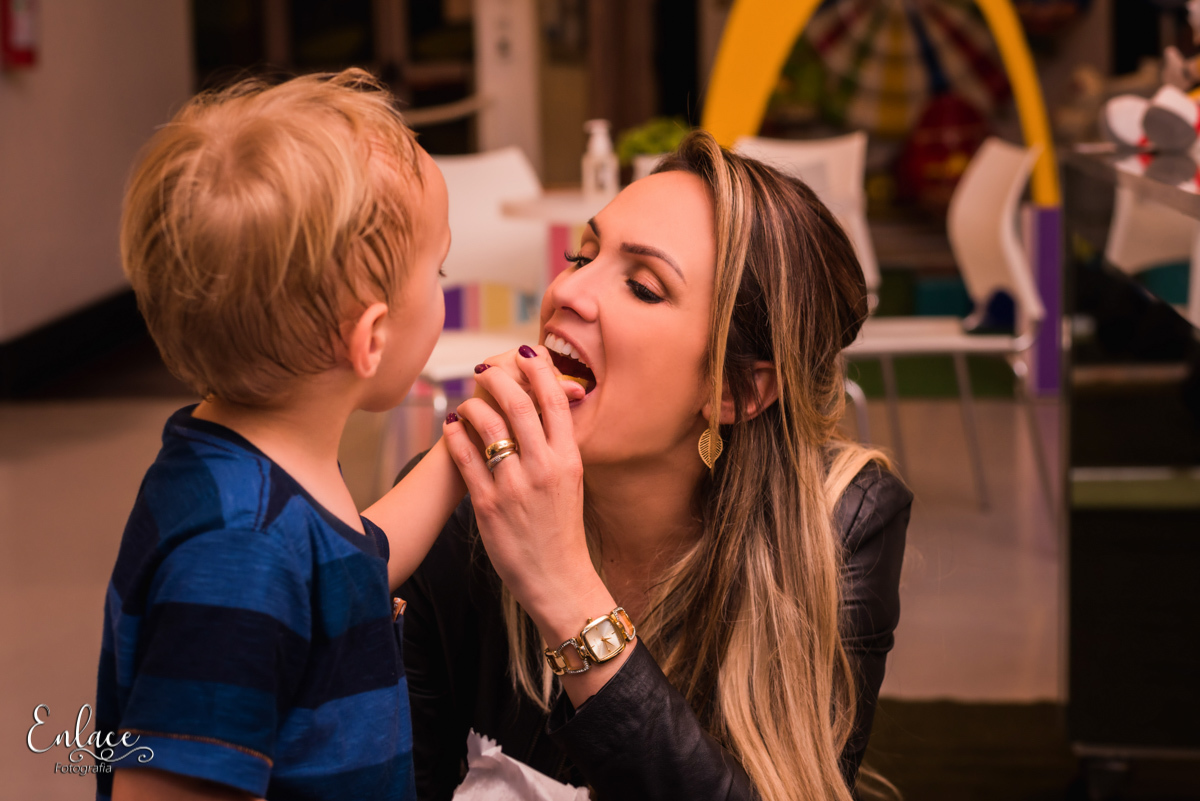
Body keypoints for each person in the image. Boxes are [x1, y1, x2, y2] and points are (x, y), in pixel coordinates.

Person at [95, 69, 585, 801]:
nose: (445, 289)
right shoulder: (237, 553)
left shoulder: (258, 470)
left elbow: (356, 555)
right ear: (372, 337)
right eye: (439, 270)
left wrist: (472, 434)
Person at [401, 131, 912, 801]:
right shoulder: (464, 508)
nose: (568, 292)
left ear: (735, 392)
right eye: (580, 255)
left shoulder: (842, 523)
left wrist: (568, 595)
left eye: (642, 287)